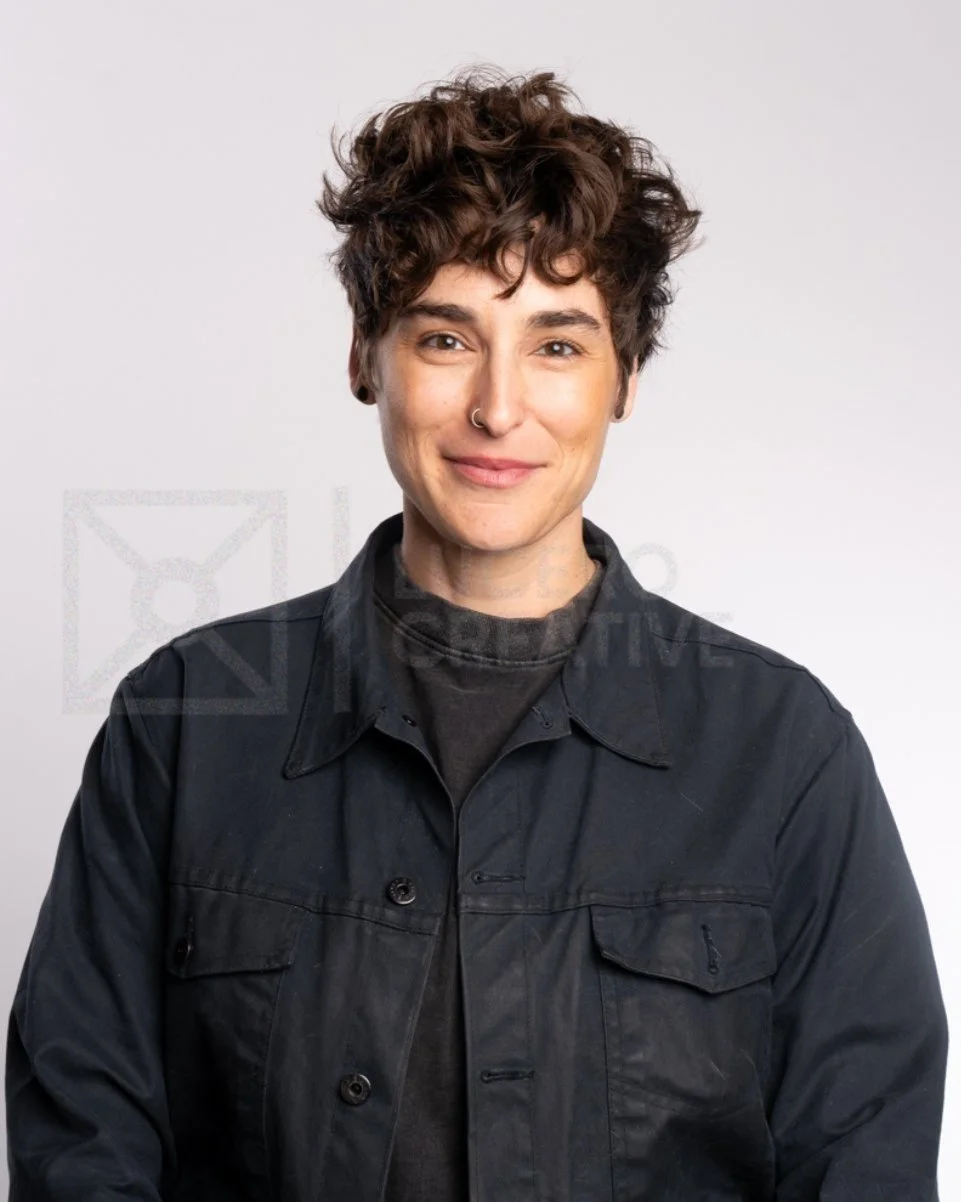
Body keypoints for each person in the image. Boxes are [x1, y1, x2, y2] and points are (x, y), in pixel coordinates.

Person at [5, 64, 948, 1201]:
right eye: (447, 338)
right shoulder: (184, 722)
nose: (499, 409)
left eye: (557, 345)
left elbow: (864, 1160)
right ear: (366, 355)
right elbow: (81, 1141)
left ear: (624, 379)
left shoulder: (783, 749)